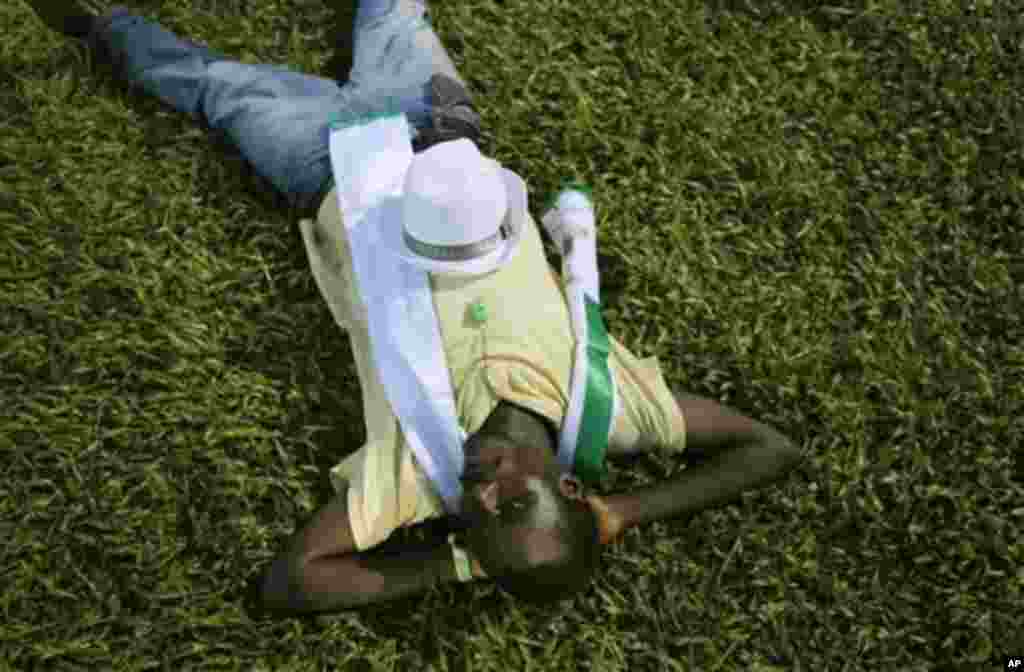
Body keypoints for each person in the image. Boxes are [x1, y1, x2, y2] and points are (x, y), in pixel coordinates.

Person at [23, 0, 803, 614]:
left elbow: (291, 582)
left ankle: (102, 24)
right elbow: (769, 449)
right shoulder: (608, 405)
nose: (480, 493)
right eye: (512, 500)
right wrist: (624, 512)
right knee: (393, 13)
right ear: (567, 487)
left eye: (476, 519)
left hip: (324, 165)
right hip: (438, 132)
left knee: (213, 86)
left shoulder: (417, 474)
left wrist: (453, 562)